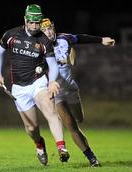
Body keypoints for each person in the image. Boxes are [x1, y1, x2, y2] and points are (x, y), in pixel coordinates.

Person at [0, 4, 70, 166]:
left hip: (38, 82)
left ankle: (61, 147)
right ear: (25, 20)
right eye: (31, 22)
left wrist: (51, 82)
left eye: (37, 22)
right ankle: (39, 144)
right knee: (31, 128)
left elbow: (53, 65)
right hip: (19, 88)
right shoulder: (11, 35)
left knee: (50, 109)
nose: (35, 26)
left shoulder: (44, 40)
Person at [40, 18, 115, 167]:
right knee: (71, 126)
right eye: (44, 30)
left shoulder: (64, 38)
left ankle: (75, 120)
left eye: (50, 28)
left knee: (80, 119)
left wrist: (101, 40)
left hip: (72, 88)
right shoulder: (39, 47)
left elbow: (80, 37)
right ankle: (92, 159)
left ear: (53, 28)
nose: (48, 32)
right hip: (58, 92)